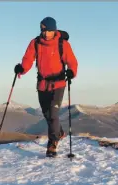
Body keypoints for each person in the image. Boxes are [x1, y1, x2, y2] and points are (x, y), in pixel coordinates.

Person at [14, 17, 78, 157]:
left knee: (53, 114)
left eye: (48, 31)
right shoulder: (35, 43)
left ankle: (52, 143)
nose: (45, 34)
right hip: (42, 84)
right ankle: (59, 133)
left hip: (59, 84)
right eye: (43, 30)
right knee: (47, 114)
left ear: (54, 30)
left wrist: (71, 72)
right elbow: (28, 59)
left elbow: (72, 61)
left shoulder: (63, 44)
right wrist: (21, 68)